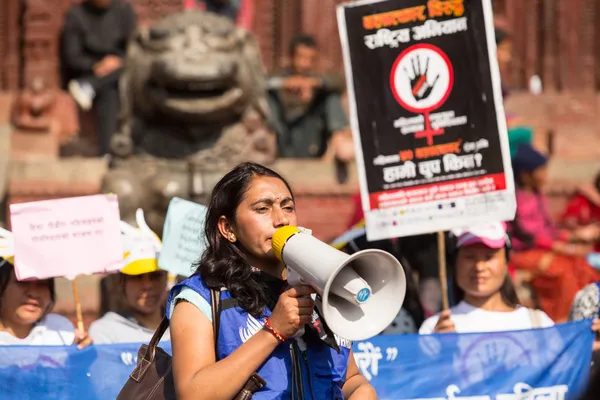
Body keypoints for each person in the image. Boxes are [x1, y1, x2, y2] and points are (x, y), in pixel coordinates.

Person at [167, 162, 375, 399]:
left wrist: (363, 391)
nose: (281, 220)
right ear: (228, 228)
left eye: (287, 207)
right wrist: (273, 331)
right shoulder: (201, 298)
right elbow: (193, 394)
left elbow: (350, 380)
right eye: (262, 209)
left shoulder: (317, 286)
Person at [508, 143, 600, 322]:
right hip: (523, 253)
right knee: (564, 273)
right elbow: (530, 236)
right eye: (541, 171)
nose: (545, 175)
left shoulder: (536, 195)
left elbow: (549, 229)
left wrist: (572, 237)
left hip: (544, 249)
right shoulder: (517, 200)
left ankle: (586, 318)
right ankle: (561, 322)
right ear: (526, 175)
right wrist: (565, 248)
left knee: (581, 267)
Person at [419, 222, 554, 334]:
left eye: (489, 257)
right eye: (469, 257)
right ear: (455, 263)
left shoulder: (538, 324)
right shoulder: (435, 328)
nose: (479, 267)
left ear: (507, 262)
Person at [61, 0, 136, 156]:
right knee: (110, 92)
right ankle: (107, 153)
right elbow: (72, 56)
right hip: (91, 71)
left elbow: (133, 47)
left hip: (120, 68)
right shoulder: (76, 14)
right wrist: (96, 65)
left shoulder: (124, 10)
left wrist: (116, 62)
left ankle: (91, 86)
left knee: (128, 70)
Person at [0, 228, 92, 347]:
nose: (33, 293)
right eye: (22, 282)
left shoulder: (61, 331)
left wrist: (81, 357)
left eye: (42, 284)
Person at [89, 209, 169, 344]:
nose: (147, 285)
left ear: (166, 279)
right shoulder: (104, 332)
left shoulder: (186, 327)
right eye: (137, 277)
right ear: (121, 283)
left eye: (155, 276)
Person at [267, 35, 350, 160]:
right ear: (291, 57)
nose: (305, 64)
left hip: (311, 140)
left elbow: (339, 82)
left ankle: (339, 143)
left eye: (310, 59)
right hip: (285, 138)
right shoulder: (279, 76)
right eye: (301, 58)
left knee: (330, 97)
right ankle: (268, 146)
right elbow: (261, 83)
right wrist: (285, 84)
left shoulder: (317, 79)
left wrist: (312, 84)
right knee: (269, 97)